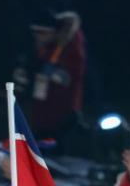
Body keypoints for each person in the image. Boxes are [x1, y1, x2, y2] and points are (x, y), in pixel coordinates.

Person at [20, 10, 86, 140]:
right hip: (42, 114)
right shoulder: (46, 47)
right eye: (35, 32)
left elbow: (70, 78)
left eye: (42, 33)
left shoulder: (70, 45)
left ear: (53, 32)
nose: (38, 36)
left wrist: (48, 70)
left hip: (63, 113)